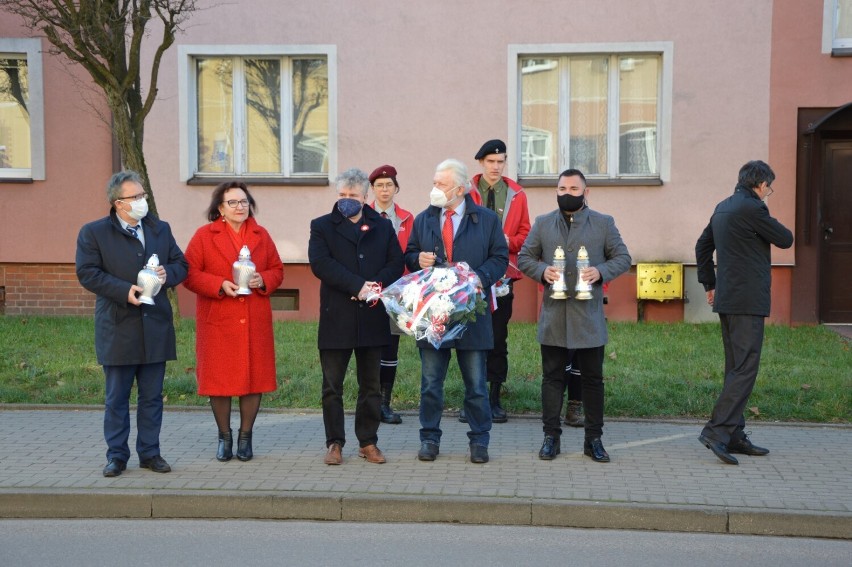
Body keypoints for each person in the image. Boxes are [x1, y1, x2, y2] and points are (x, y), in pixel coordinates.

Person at [76, 170, 188, 477]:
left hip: (155, 327)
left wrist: (168, 275)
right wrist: (125, 291)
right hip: (118, 326)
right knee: (117, 398)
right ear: (117, 203)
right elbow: (88, 273)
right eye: (135, 197)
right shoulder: (94, 232)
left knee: (152, 397)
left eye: (144, 196)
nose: (142, 201)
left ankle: (150, 453)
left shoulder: (159, 228)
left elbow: (182, 264)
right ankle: (117, 455)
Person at [518, 168, 630, 462]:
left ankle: (593, 440)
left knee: (592, 380)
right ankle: (550, 437)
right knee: (552, 378)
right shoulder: (543, 223)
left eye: (573, 189)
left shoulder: (603, 223)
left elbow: (622, 257)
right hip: (554, 316)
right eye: (562, 189)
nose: (567, 194)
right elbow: (524, 258)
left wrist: (600, 271)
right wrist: (543, 271)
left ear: (586, 192)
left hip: (588, 316)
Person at [405, 158, 509, 464]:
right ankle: (429, 439)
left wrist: (478, 278)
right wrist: (417, 259)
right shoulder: (425, 218)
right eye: (435, 182)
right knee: (430, 384)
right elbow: (410, 253)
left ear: (460, 189)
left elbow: (500, 257)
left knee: (476, 385)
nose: (434, 188)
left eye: (441, 184)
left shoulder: (487, 220)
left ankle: (479, 441)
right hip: (433, 314)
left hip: (472, 312)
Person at [695, 160, 793, 465]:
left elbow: (701, 246)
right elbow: (786, 239)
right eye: (769, 189)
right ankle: (717, 431)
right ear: (761, 185)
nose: (768, 194)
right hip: (747, 300)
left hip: (727, 297)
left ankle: (735, 435)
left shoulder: (723, 207)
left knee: (735, 368)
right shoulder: (753, 208)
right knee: (746, 368)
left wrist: (710, 283)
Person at [182, 181, 284, 463]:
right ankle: (224, 436)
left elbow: (277, 270)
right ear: (220, 208)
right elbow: (188, 273)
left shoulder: (261, 234)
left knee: (254, 378)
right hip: (219, 320)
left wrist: (263, 279)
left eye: (244, 201)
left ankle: (246, 437)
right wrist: (218, 284)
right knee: (219, 380)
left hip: (254, 317)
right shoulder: (204, 236)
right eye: (233, 203)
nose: (240, 207)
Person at [308, 168, 405, 465]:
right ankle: (334, 443)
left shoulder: (382, 225)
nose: (346, 201)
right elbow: (320, 264)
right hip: (337, 316)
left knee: (371, 386)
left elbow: (396, 262)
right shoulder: (322, 225)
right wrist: (356, 286)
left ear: (365, 197)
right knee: (332, 385)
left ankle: (368, 441)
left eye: (353, 196)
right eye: (342, 195)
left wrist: (374, 286)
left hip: (372, 317)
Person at [458, 139, 530, 424]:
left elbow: (526, 233)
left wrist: (507, 241)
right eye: (490, 162)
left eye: (501, 162)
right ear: (481, 163)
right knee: (468, 338)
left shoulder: (517, 194)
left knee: (498, 338)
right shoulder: (466, 190)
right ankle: (471, 399)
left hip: (502, 275)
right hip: (469, 276)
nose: (496, 167)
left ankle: (495, 399)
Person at [368, 164, 414, 425]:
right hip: (371, 292)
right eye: (379, 185)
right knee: (369, 348)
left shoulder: (407, 218)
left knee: (390, 348)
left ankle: (385, 403)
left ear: (396, 188)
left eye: (389, 185)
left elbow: (412, 251)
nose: (384, 190)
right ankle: (370, 401)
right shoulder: (364, 216)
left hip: (399, 293)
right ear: (372, 190)